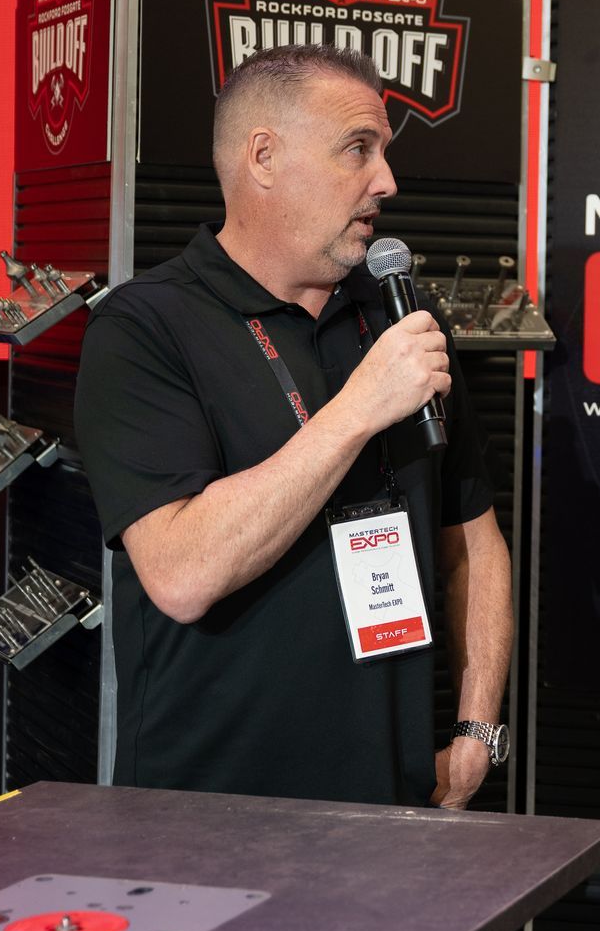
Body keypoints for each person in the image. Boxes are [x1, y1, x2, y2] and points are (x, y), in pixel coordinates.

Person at [75, 44, 513, 809]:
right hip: (209, 814)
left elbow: (471, 535)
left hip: (394, 808)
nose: (387, 181)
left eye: (382, 152)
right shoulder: (145, 328)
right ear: (264, 158)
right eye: (358, 150)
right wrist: (356, 411)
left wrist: (478, 732)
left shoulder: (400, 316)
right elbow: (182, 575)